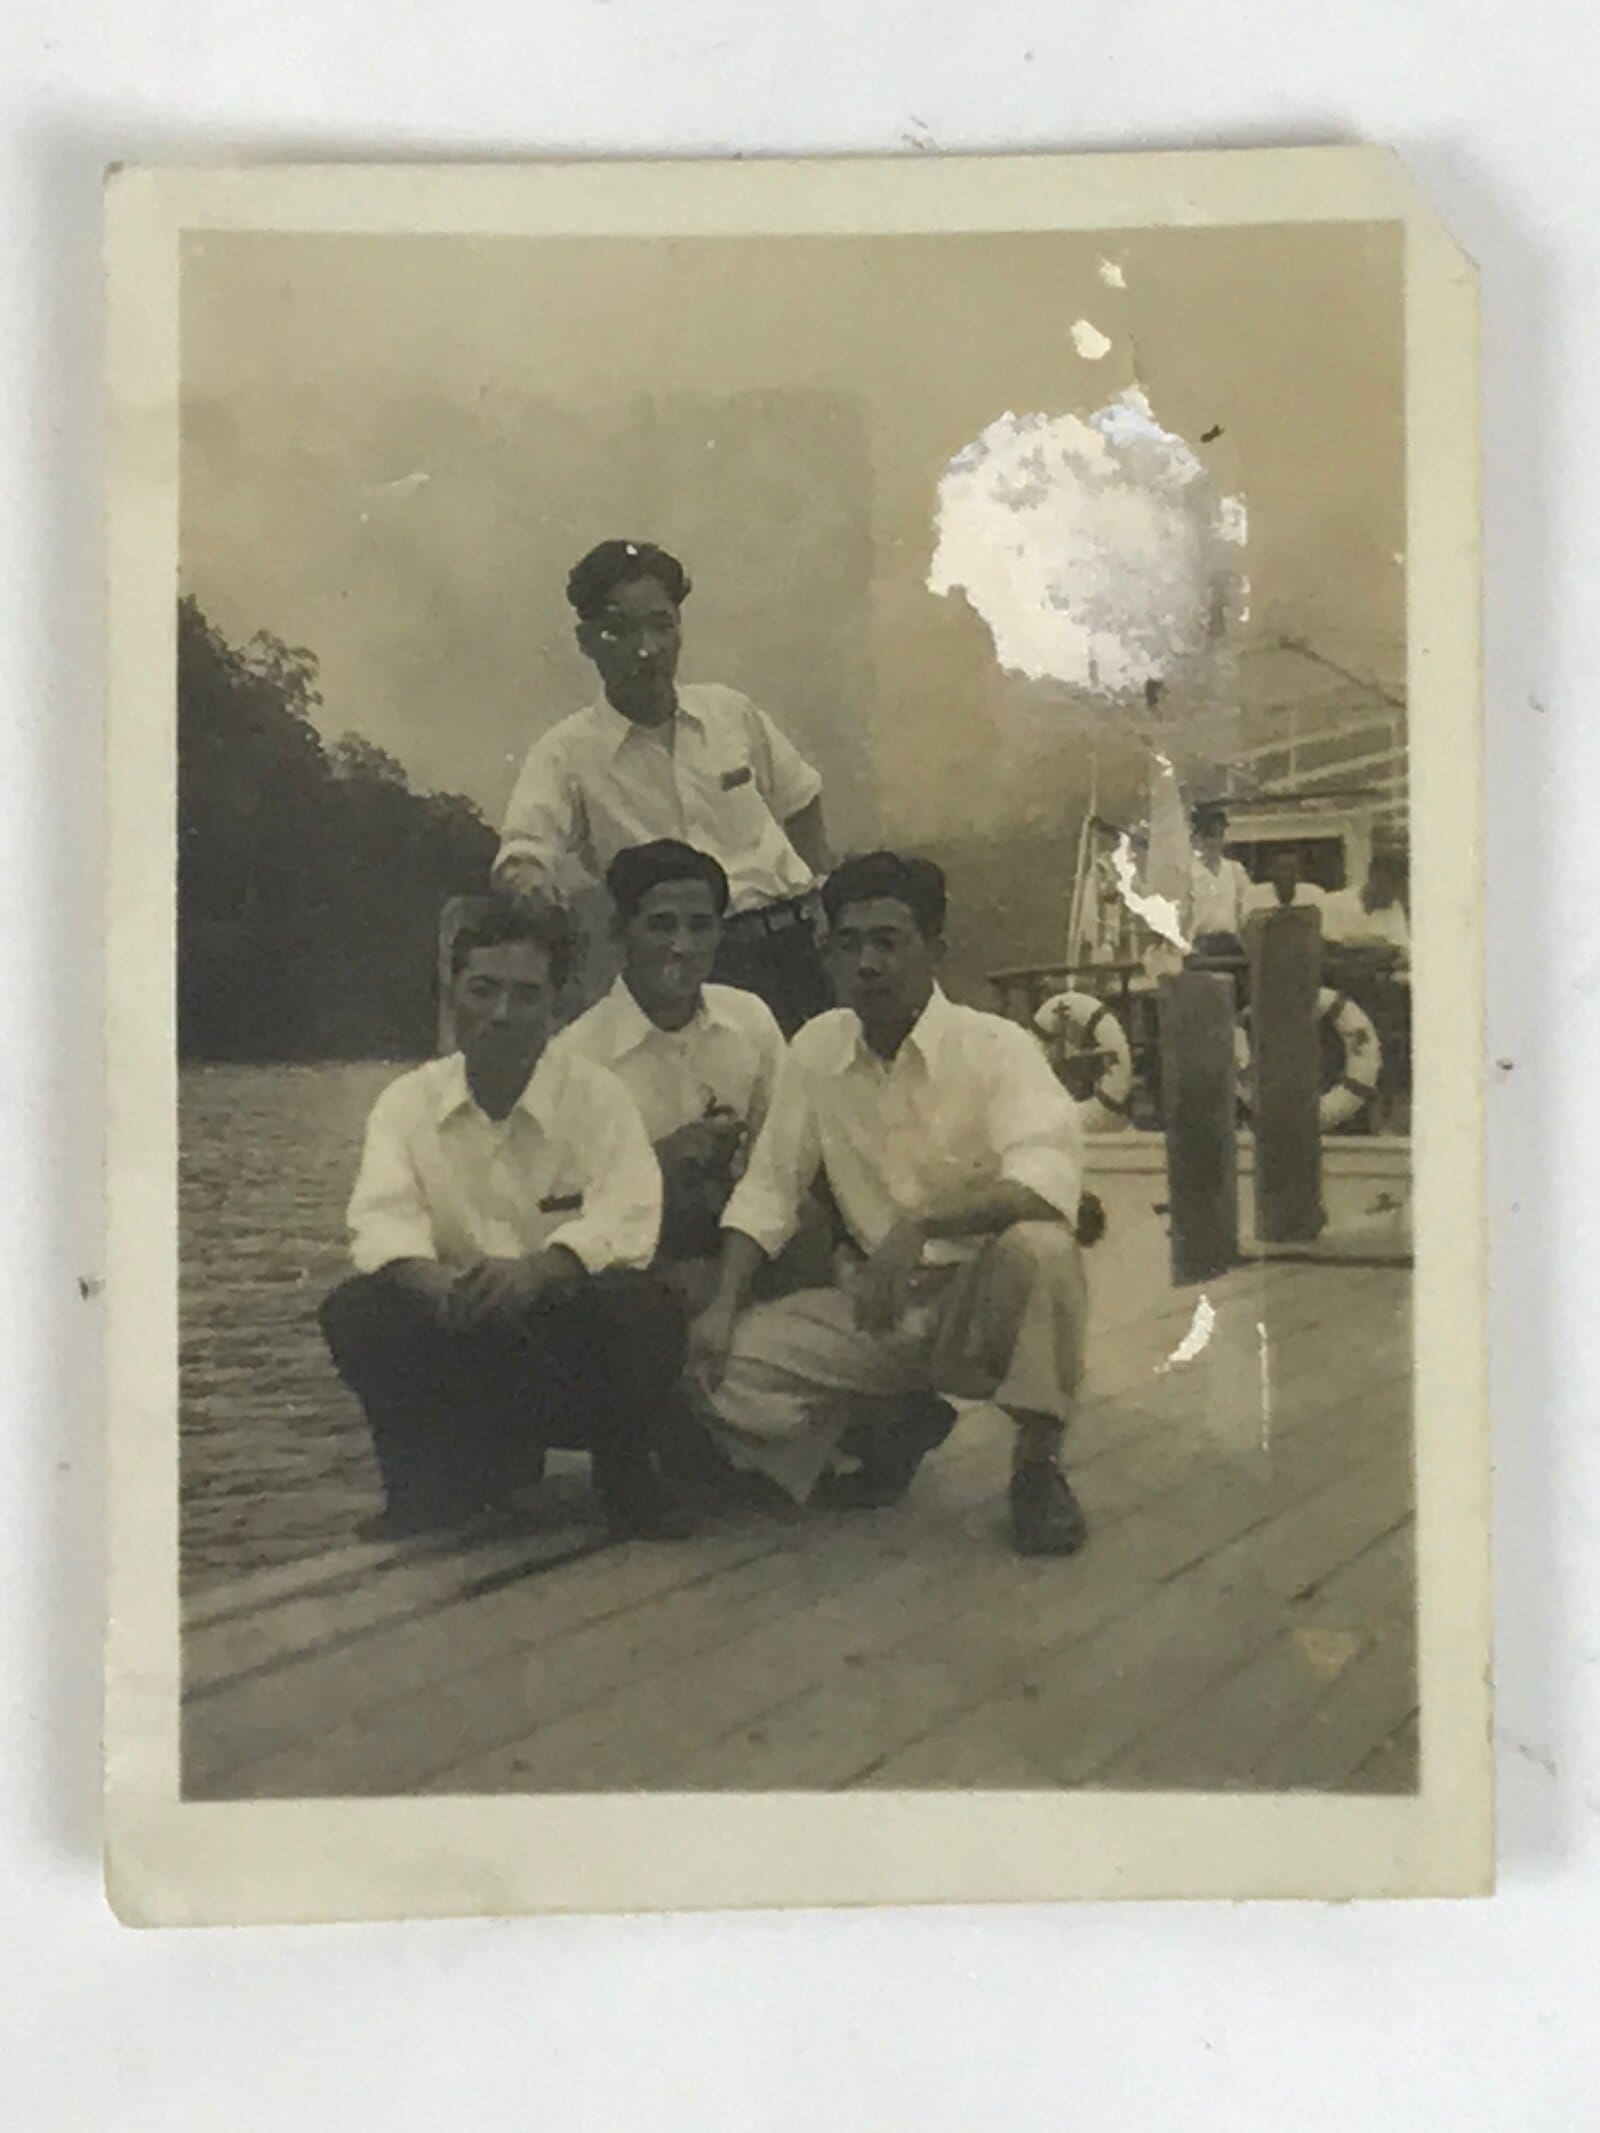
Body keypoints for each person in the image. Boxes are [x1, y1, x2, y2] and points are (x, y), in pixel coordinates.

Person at [688, 852, 1093, 1559]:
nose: (866, 963)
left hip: (978, 1301)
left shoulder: (997, 1046)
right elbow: (768, 1189)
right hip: (880, 1306)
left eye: (887, 941)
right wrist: (722, 1304)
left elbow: (1047, 1182)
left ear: (932, 950)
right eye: (848, 944)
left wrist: (925, 1223)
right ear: (828, 954)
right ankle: (884, 1425)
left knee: (1043, 1249)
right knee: (723, 1370)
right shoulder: (815, 1048)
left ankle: (1037, 1468)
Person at [319, 898, 692, 1543]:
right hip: (462, 1324)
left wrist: (542, 1271)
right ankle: (424, 1494)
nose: (500, 1014)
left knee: (648, 1304)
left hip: (568, 1337)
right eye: (482, 990)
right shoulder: (406, 1104)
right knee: (357, 1309)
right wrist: (437, 1284)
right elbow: (381, 1222)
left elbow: (631, 1215)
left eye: (525, 996)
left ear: (555, 1006)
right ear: (451, 993)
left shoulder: (597, 1097)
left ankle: (627, 1480)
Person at [494, 540, 833, 1033]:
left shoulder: (729, 713)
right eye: (620, 631)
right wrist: (532, 887)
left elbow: (800, 799)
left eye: (662, 625)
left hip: (793, 949)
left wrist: (822, 895)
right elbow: (523, 855)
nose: (646, 649)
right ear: (586, 640)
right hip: (686, 968)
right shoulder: (566, 752)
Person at [546, 840, 786, 1270]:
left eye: (700, 926)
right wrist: (657, 1163)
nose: (682, 947)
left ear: (720, 933)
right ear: (620, 931)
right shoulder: (575, 1057)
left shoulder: (750, 1020)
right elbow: (558, 1208)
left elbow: (785, 1158)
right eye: (661, 926)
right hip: (632, 1269)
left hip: (744, 1253)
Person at [1324, 848, 1410, 961]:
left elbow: (1402, 951)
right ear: (1372, 875)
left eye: (1399, 886)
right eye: (1390, 882)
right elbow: (1329, 946)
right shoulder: (1335, 902)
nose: (1394, 891)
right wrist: (1379, 944)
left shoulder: (1394, 910)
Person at [1246, 844, 1329, 919]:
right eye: (1282, 869)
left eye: (1291, 869)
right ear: (1270, 871)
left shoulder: (1315, 894)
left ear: (1299, 872)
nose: (1287, 875)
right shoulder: (1254, 896)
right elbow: (1249, 932)